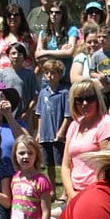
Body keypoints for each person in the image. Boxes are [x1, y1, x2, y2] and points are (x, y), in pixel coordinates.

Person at [61, 77, 110, 200]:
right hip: (74, 194)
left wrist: (91, 195)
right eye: (79, 100)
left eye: (89, 98)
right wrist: (70, 193)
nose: (84, 103)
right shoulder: (74, 125)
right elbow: (65, 165)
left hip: (97, 193)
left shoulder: (106, 124)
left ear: (97, 99)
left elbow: (107, 166)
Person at [9, 133, 52, 219]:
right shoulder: (15, 178)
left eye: (30, 153)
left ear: (36, 156)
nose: (26, 156)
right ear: (15, 155)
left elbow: (46, 210)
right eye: (21, 153)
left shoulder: (41, 180)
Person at [34, 58, 69, 186]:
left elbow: (67, 115)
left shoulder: (64, 93)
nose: (50, 76)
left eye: (53, 73)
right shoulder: (43, 93)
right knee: (49, 164)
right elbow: (39, 114)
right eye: (47, 73)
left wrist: (62, 131)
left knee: (60, 162)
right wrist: (38, 132)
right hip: (45, 133)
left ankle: (64, 188)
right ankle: (52, 187)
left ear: (59, 75)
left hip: (57, 133)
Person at [34, 0, 78, 77]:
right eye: (51, 12)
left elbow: (69, 53)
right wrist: (60, 52)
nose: (54, 15)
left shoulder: (71, 30)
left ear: (63, 15)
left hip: (65, 77)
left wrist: (45, 52)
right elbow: (38, 56)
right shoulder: (44, 33)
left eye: (57, 12)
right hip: (48, 77)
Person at [0, 3, 37, 72]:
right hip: (1, 77)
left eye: (16, 15)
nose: (12, 17)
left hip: (23, 78)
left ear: (21, 17)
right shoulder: (0, 36)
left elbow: (35, 59)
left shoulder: (29, 36)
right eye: (9, 15)